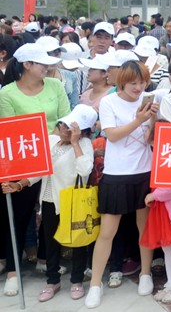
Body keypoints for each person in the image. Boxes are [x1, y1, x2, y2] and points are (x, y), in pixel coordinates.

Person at [85, 60, 158, 308]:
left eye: (143, 82)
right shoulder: (109, 102)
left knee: (144, 228)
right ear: (121, 82)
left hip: (144, 171)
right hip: (116, 174)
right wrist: (139, 119)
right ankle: (96, 284)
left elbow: (150, 139)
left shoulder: (148, 101)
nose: (139, 87)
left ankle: (145, 273)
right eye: (133, 83)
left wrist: (153, 119)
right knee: (107, 232)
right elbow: (113, 135)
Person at [36, 105, 96, 303]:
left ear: (81, 131)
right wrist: (21, 183)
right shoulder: (51, 141)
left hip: (72, 201)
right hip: (48, 198)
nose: (64, 129)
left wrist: (75, 142)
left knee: (78, 241)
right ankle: (52, 281)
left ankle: (77, 280)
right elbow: (39, 168)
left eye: (70, 127)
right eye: (63, 124)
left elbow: (85, 170)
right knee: (50, 241)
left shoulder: (85, 144)